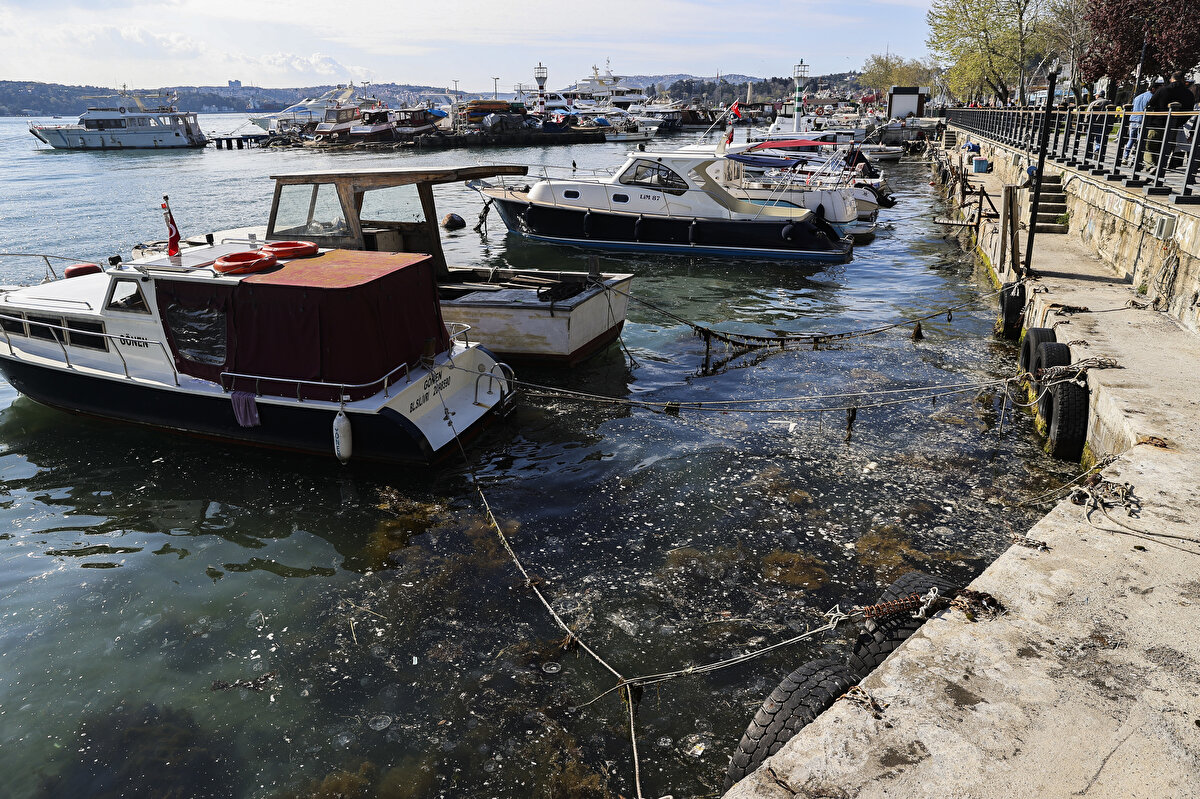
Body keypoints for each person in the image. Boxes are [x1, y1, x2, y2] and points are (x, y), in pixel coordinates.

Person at [1145, 72, 1194, 168]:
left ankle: (1151, 167)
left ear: (1171, 79)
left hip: (1157, 124)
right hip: (1173, 127)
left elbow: (1151, 104)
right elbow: (1189, 112)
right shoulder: (1189, 94)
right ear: (1183, 80)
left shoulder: (1163, 90)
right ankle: (1159, 170)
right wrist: (1179, 122)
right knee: (1166, 151)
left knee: (1149, 148)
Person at [1123, 82, 1152, 163]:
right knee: (1140, 140)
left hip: (1133, 119)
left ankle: (1125, 157)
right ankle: (1135, 158)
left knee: (1131, 139)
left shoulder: (1137, 97)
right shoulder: (1151, 97)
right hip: (1142, 120)